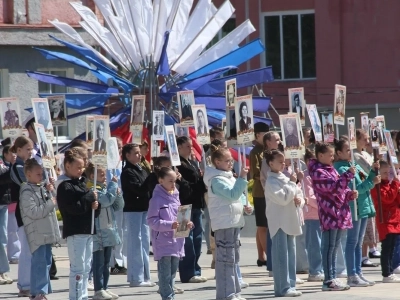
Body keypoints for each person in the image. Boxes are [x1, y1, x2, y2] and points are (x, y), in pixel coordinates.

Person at [203, 145, 253, 300]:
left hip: (233, 222)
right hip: (224, 223)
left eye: (231, 161)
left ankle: (234, 292)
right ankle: (226, 294)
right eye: (227, 161)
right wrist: (242, 179)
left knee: (233, 260)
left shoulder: (228, 176)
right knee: (225, 260)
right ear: (217, 162)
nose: (231, 164)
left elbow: (238, 196)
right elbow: (231, 194)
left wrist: (246, 204)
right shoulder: (216, 180)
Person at [308, 141, 356, 291]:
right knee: (328, 247)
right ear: (320, 155)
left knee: (335, 247)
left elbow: (340, 189)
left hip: (339, 213)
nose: (332, 157)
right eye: (330, 154)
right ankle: (328, 280)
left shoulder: (330, 169)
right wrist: (348, 175)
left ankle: (333, 276)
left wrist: (349, 194)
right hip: (329, 214)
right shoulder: (318, 171)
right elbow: (333, 188)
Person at [334, 137, 379, 287]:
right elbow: (357, 188)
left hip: (363, 207)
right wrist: (370, 183)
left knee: (358, 243)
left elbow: (366, 180)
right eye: (347, 150)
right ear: (339, 153)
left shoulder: (353, 165)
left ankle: (358, 272)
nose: (350, 153)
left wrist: (373, 171)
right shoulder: (341, 168)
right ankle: (351, 274)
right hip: (354, 208)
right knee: (352, 242)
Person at [57, 148, 100, 300]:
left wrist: (95, 205)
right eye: (78, 167)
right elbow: (74, 208)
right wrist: (89, 197)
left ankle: (82, 295)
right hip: (75, 231)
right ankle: (75, 296)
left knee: (86, 267)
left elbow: (89, 206)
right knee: (77, 267)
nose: (81, 170)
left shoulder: (81, 183)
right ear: (67, 165)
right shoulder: (65, 186)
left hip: (87, 229)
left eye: (82, 167)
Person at [147, 167, 193, 300]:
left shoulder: (175, 196)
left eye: (175, 181)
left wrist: (187, 223)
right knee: (165, 272)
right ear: (161, 181)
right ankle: (167, 296)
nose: (173, 184)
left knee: (173, 272)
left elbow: (180, 217)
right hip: (163, 241)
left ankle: (170, 293)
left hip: (177, 241)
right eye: (170, 181)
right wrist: (169, 225)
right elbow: (152, 221)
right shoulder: (156, 199)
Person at [264, 149, 305, 297]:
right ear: (271, 163)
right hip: (279, 221)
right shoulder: (271, 181)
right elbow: (282, 198)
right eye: (280, 162)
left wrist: (300, 201)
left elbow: (298, 194)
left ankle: (291, 284)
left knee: (291, 255)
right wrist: (293, 184)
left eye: (283, 162)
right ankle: (282, 287)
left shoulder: (286, 178)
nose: (283, 164)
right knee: (281, 256)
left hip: (290, 220)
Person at [19, 158, 60, 300]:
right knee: (39, 263)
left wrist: (51, 190)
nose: (41, 177)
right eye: (38, 174)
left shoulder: (41, 188)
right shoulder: (26, 192)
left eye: (41, 174)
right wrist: (50, 203)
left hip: (46, 232)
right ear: (28, 174)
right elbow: (34, 212)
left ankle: (41, 291)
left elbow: (54, 203)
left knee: (46, 262)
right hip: (37, 233)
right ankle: (38, 292)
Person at [86, 163, 124, 300]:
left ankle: (105, 287)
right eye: (101, 174)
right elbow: (106, 200)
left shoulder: (106, 188)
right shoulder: (93, 189)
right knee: (99, 262)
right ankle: (98, 289)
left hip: (109, 230)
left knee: (107, 262)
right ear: (92, 176)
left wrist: (118, 194)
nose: (105, 177)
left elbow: (118, 206)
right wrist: (113, 187)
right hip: (99, 232)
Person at [120, 144, 155, 287]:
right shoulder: (128, 171)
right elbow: (139, 189)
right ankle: (136, 277)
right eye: (135, 153)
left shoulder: (140, 168)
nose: (139, 155)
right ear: (127, 155)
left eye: (139, 153)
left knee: (145, 242)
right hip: (133, 209)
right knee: (136, 243)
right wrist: (150, 178)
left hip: (144, 208)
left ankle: (145, 276)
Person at [176, 136, 207, 283]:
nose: (191, 149)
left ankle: (195, 268)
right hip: (183, 206)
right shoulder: (176, 164)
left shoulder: (193, 162)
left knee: (197, 239)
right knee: (186, 240)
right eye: (188, 146)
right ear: (179, 148)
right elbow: (183, 185)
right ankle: (187, 272)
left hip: (196, 204)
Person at [10, 136, 34, 297]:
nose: (30, 152)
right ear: (18, 150)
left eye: (31, 149)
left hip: (29, 211)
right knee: (26, 249)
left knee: (30, 249)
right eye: (27, 149)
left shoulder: (25, 165)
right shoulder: (19, 166)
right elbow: (28, 184)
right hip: (23, 211)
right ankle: (24, 284)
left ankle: (29, 282)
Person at [353, 129, 381, 267]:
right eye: (364, 139)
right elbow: (363, 176)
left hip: (367, 195)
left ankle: (359, 265)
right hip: (361, 197)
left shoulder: (364, 153)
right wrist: (372, 175)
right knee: (358, 238)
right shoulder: (355, 156)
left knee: (364, 232)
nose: (368, 142)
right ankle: (360, 261)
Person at [370, 160, 400, 283]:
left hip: (394, 219)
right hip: (385, 220)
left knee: (393, 247)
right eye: (384, 172)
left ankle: (391, 271)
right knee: (387, 248)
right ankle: (386, 273)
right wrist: (395, 185)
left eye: (388, 172)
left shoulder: (389, 184)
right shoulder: (376, 186)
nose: (387, 174)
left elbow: (396, 200)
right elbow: (387, 198)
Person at [249, 123, 269, 268]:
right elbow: (255, 173)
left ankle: (261, 256)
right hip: (260, 191)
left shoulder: (269, 151)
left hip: (269, 190)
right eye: (264, 134)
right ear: (257, 136)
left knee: (262, 225)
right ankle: (268, 255)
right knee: (262, 225)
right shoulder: (255, 152)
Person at [303, 149, 324, 282]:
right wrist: (324, 204)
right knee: (314, 244)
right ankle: (315, 271)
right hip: (312, 214)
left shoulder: (320, 174)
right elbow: (309, 196)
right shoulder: (306, 176)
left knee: (322, 244)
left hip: (322, 214)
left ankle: (320, 269)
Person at [0, 144, 15, 285]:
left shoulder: (2, 162)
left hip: (3, 202)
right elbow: (3, 177)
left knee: (2, 238)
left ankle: (2, 271)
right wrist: (12, 166)